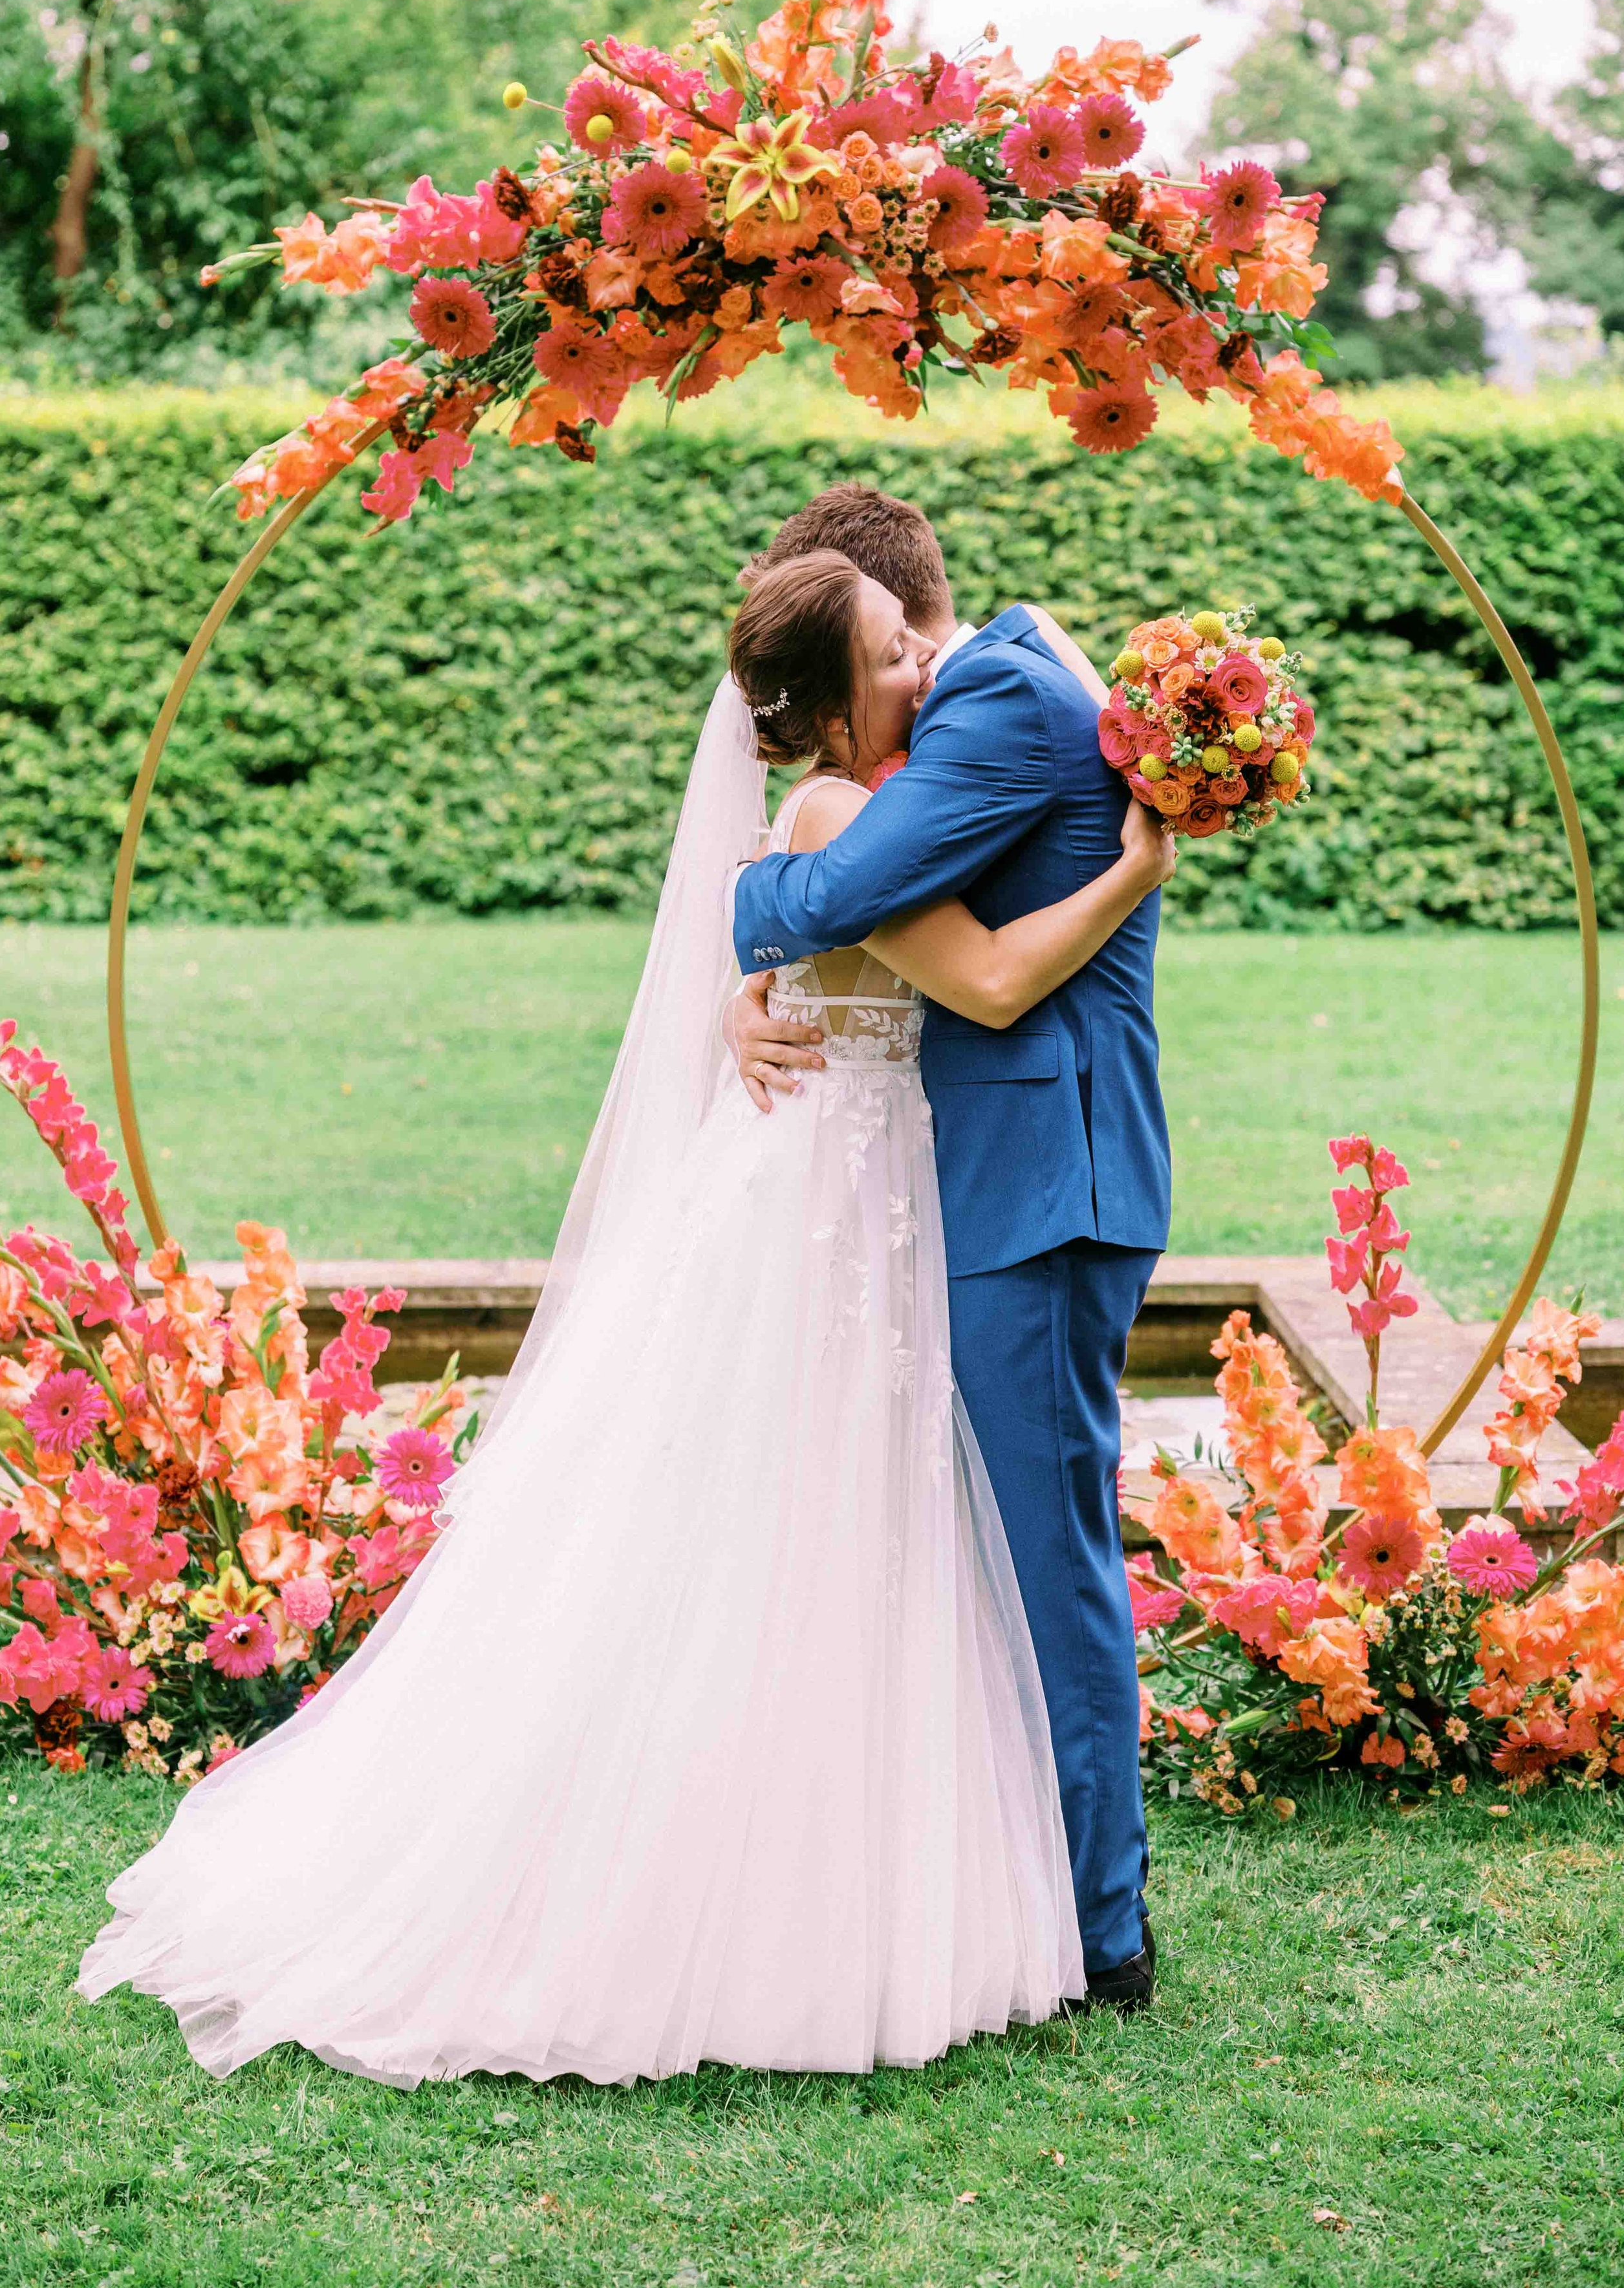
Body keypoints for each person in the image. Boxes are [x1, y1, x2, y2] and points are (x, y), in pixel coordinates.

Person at [75, 546, 1171, 2088]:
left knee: (886, 1536)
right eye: (887, 657)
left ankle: (958, 1867)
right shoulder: (850, 816)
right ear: (825, 713)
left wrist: (761, 960)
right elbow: (973, 979)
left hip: (895, 1203)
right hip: (849, 1210)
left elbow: (873, 948)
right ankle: (878, 1886)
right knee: (816, 1541)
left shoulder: (895, 782)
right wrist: (1132, 867)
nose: (920, 668)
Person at [730, 486, 1173, 2011]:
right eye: (886, 671)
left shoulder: (989, 691)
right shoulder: (999, 681)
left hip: (1041, 1180)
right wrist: (768, 962)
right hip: (991, 1176)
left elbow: (860, 896)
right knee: (991, 1547)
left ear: (894, 621)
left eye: (891, 653)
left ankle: (1101, 1933)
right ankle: (1031, 1893)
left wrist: (750, 911)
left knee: (1051, 1561)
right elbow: (872, 916)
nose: (907, 683)